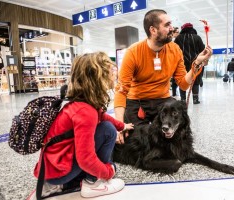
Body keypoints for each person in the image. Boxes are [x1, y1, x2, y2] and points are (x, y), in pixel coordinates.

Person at [29, 52, 134, 199]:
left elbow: (101, 115)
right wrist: (108, 171)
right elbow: (85, 159)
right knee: (107, 131)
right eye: (108, 69)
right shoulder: (85, 112)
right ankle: (93, 184)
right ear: (97, 77)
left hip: (53, 167)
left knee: (108, 128)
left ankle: (68, 182)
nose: (113, 71)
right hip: (58, 173)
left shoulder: (81, 102)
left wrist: (121, 126)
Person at [114, 9, 212, 144]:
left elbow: (183, 84)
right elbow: (121, 91)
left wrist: (197, 63)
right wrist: (119, 125)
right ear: (153, 30)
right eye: (167, 25)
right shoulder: (133, 52)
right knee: (137, 142)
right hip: (137, 102)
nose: (172, 28)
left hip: (162, 100)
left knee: (174, 138)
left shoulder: (175, 50)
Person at [174, 22, 205, 104]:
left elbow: (174, 51)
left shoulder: (178, 38)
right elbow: (202, 50)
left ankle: (183, 99)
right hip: (195, 63)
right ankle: (195, 99)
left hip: (182, 63)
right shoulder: (197, 37)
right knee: (195, 80)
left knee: (182, 80)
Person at [171, 26, 180, 99]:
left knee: (175, 78)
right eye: (177, 32)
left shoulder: (178, 40)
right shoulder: (172, 41)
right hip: (172, 62)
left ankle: (174, 92)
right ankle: (173, 93)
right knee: (174, 79)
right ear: (173, 33)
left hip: (176, 61)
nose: (178, 34)